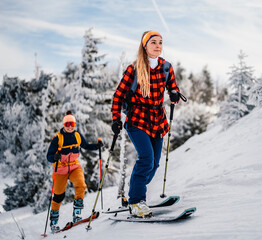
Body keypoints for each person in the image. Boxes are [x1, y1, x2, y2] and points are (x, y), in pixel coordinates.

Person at [111, 30, 181, 217]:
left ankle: (135, 188)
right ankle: (136, 201)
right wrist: (116, 118)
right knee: (146, 159)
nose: (158, 45)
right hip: (138, 120)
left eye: (160, 42)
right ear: (145, 45)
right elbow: (118, 95)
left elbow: (173, 87)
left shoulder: (166, 67)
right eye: (153, 42)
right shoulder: (133, 69)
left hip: (158, 121)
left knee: (154, 165)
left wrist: (174, 93)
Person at [46, 110, 101, 232]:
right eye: (67, 124)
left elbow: (86, 146)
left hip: (75, 167)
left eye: (72, 124)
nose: (70, 127)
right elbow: (49, 156)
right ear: (64, 125)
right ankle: (54, 223)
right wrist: (54, 157)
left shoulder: (77, 135)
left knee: (81, 185)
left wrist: (96, 146)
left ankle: (77, 214)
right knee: (59, 196)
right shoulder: (57, 139)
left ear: (75, 124)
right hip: (60, 169)